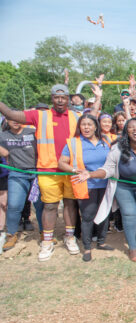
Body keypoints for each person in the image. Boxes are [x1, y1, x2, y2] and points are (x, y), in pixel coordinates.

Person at [0, 84, 81, 261]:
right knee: (50, 206)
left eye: (63, 97)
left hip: (70, 169)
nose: (60, 100)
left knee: (69, 204)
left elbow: (94, 122)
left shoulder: (77, 115)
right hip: (48, 170)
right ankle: (47, 241)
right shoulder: (40, 115)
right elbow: (12, 115)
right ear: (52, 98)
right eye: (56, 97)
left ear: (68, 99)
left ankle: (69, 236)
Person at [76, 118, 136, 261]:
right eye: (131, 127)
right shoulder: (118, 149)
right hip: (123, 186)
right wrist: (90, 174)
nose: (135, 130)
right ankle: (132, 248)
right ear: (126, 131)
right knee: (129, 213)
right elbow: (107, 170)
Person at [57, 114, 112, 261]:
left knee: (104, 213)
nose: (86, 127)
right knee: (88, 216)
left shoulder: (105, 140)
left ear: (96, 126)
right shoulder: (74, 143)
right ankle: (87, 248)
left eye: (89, 124)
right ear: (79, 127)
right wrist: (75, 170)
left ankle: (102, 241)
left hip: (105, 184)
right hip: (86, 185)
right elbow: (61, 163)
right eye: (83, 125)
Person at [0, 118, 43, 252]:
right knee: (14, 205)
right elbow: (5, 153)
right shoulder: (3, 135)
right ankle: (11, 234)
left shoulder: (33, 132)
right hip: (17, 174)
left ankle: (44, 233)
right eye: (11, 119)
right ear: (6, 120)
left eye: (17, 119)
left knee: (41, 205)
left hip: (36, 173)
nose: (15, 121)